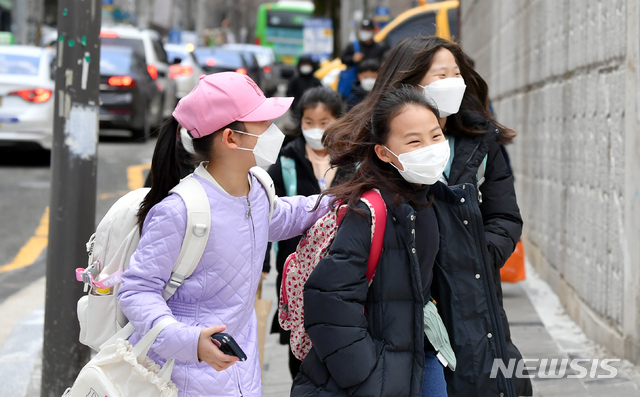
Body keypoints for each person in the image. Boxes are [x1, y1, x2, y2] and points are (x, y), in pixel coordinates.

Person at [323, 36, 530, 397]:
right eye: (439, 75)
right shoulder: (368, 159)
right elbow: (338, 281)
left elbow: (505, 217)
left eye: (456, 73)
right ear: (407, 84)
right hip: (404, 321)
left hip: (475, 301)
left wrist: (473, 259)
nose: (452, 82)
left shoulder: (480, 140)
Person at [117, 72, 331, 397]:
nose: (275, 130)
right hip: (181, 379)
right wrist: (190, 342)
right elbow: (136, 291)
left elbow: (282, 216)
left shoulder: (257, 186)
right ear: (231, 138)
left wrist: (342, 197)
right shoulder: (180, 210)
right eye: (263, 121)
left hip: (241, 374)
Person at [291, 87, 451, 396]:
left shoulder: (432, 199)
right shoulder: (369, 211)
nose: (431, 148)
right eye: (414, 141)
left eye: (435, 136)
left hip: (422, 356)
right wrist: (364, 375)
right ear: (384, 152)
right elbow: (328, 299)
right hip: (378, 370)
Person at [263, 86, 352, 379]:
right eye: (309, 123)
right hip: (297, 273)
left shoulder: (354, 161)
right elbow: (264, 212)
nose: (316, 130)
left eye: (324, 122)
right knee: (299, 350)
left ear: (339, 120)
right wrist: (263, 266)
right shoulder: (285, 163)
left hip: (344, 268)